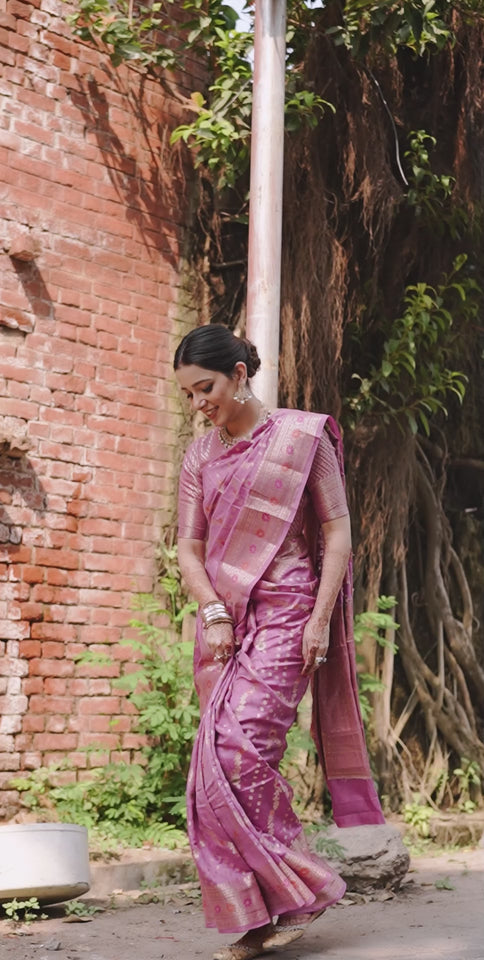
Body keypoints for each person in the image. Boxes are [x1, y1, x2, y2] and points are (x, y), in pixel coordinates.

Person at [174, 325, 384, 960]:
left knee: (239, 751)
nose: (197, 404)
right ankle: (274, 906)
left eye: (205, 388)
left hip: (291, 611)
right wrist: (212, 610)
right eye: (186, 394)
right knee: (210, 763)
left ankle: (295, 893)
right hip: (226, 617)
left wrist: (321, 618)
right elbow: (188, 547)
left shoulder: (303, 437)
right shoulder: (199, 456)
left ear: (240, 374)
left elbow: (339, 533)